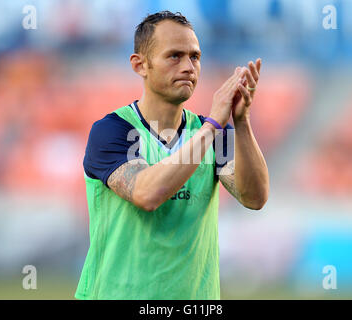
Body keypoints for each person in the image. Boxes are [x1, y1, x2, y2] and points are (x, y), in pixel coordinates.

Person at [75, 11, 269, 300]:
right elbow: (147, 194)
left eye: (195, 57)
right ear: (140, 65)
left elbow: (254, 198)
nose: (189, 66)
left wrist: (241, 123)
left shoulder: (215, 137)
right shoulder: (112, 131)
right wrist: (213, 125)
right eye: (174, 56)